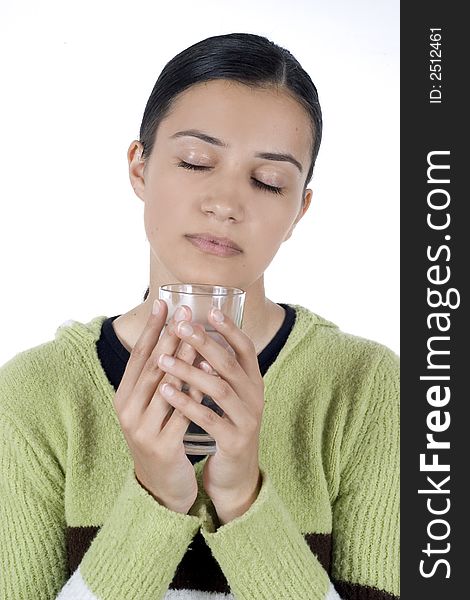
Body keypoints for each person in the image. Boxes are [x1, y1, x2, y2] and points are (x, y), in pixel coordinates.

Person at [0, 33, 399, 600]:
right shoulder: (36, 395)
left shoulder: (366, 387)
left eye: (268, 181)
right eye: (195, 162)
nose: (226, 203)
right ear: (139, 167)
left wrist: (243, 500)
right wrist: (155, 504)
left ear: (298, 210)